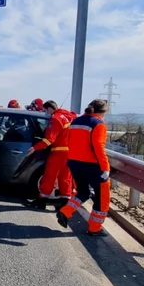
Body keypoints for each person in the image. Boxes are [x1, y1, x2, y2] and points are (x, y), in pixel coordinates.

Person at [57, 99, 111, 236]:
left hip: (74, 163)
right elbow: (99, 147)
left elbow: (69, 141)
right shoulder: (98, 124)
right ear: (103, 112)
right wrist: (105, 167)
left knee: (83, 192)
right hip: (92, 165)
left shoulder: (75, 121)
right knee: (101, 198)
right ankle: (94, 228)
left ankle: (65, 211)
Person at [26, 100, 76, 209]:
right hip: (70, 153)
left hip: (58, 152)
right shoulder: (69, 117)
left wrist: (35, 147)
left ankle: (41, 201)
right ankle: (65, 202)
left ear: (49, 108)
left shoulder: (56, 118)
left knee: (49, 176)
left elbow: (49, 139)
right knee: (65, 178)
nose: (46, 114)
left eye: (45, 111)